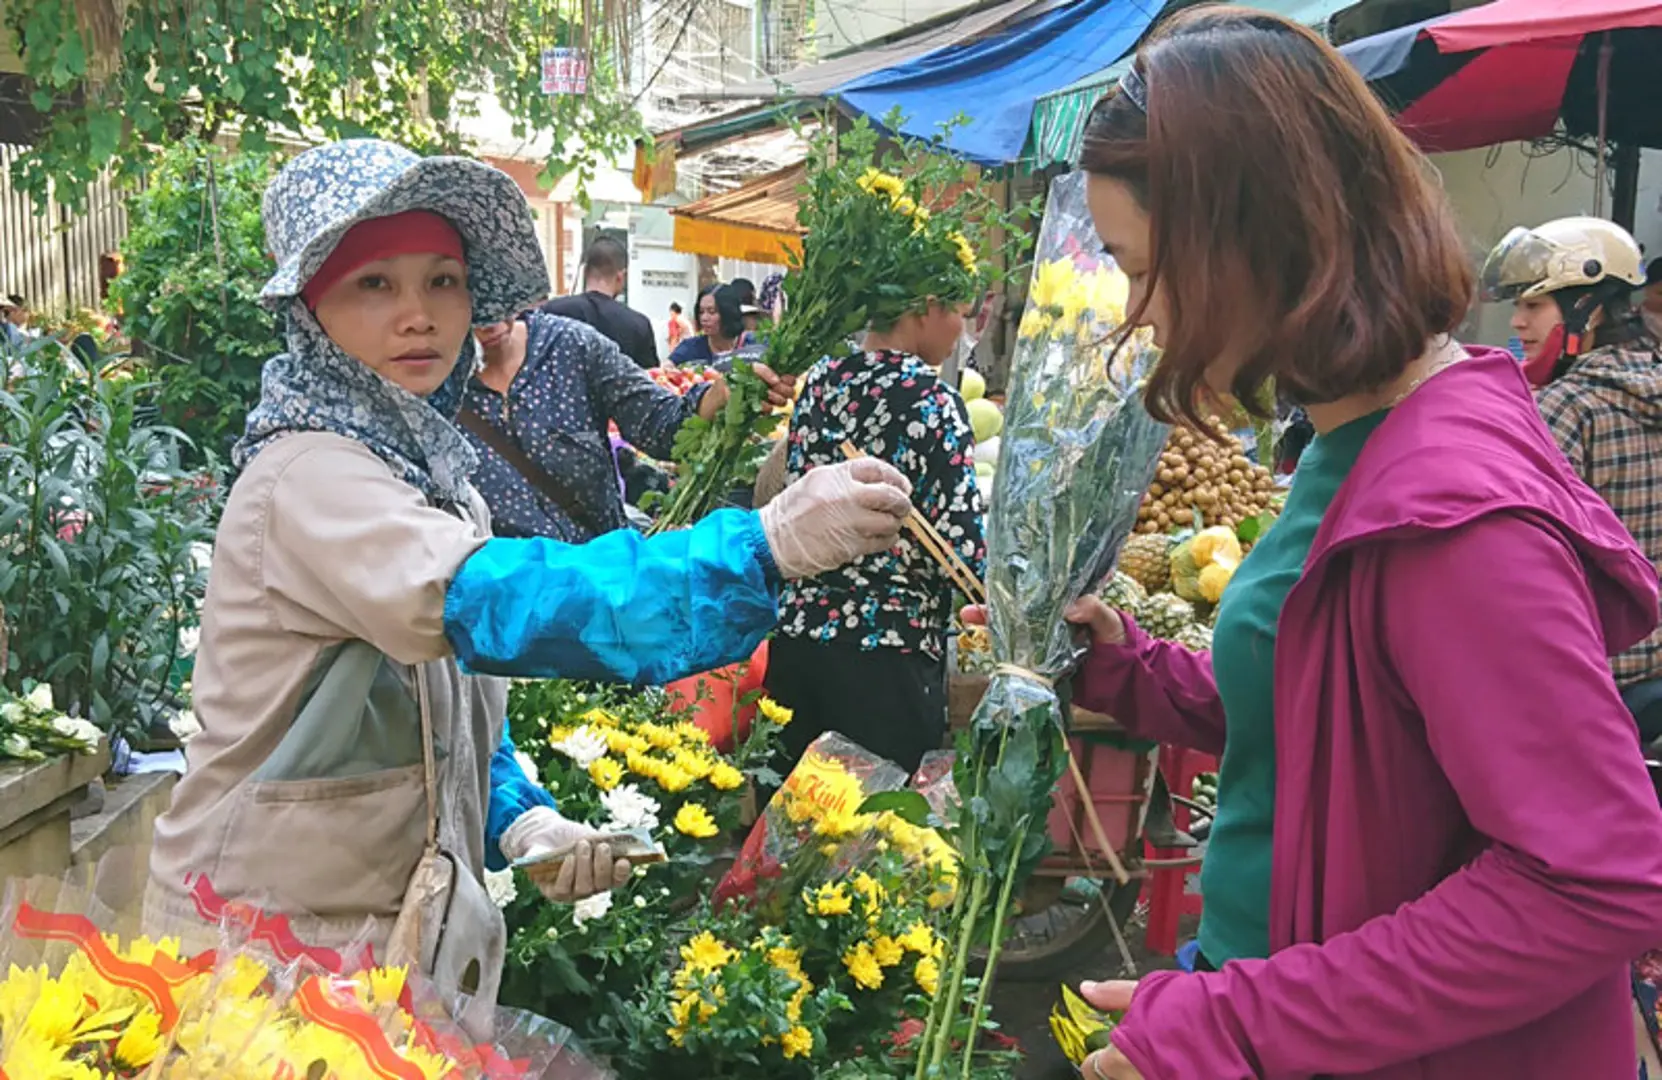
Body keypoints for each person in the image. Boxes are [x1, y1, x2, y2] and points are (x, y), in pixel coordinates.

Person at [146, 138, 915, 1023]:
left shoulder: (432, 476)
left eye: (442, 281)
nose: (419, 316)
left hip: (370, 948)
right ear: (310, 313)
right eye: (374, 284)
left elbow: (441, 699)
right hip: (258, 948)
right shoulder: (309, 478)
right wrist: (761, 546)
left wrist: (519, 818)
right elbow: (491, 605)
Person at [1037, 10, 1662, 1080]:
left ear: (1249, 244)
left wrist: (1237, 1023)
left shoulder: (1450, 510)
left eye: (1146, 269)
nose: (1140, 316)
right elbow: (1335, 711)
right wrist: (1127, 668)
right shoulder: (1351, 441)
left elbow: (1594, 878)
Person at [766, 296, 986, 775]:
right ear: (925, 309)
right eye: (960, 315)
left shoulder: (821, 383)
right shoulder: (933, 400)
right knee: (878, 836)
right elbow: (961, 550)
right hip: (889, 660)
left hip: (799, 642)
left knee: (792, 830)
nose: (960, 333)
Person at [1482, 216, 1662, 742]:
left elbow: (1520, 565)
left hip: (1589, 683)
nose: (1517, 323)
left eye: (1533, 305)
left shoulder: (1564, 408)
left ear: (1591, 308)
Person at [460, 311, 794, 543]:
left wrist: (722, 394)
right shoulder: (432, 384)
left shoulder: (570, 346)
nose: (490, 319)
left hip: (603, 594)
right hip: (498, 613)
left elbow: (662, 426)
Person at [539, 236, 658, 368]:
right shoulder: (638, 325)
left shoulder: (550, 312)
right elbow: (650, 380)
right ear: (621, 276)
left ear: (585, 271)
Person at [668, 283, 746, 366]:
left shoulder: (752, 344)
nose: (704, 318)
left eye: (712, 312)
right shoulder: (690, 347)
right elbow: (666, 367)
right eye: (701, 312)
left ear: (729, 313)